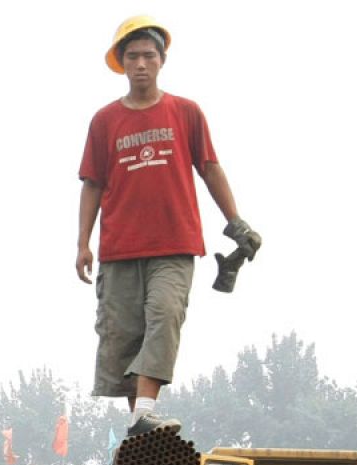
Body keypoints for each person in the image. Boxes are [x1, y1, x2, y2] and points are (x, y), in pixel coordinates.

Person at [76, 15, 262, 436]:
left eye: (148, 56)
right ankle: (139, 421)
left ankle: (144, 410)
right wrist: (82, 242)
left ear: (162, 60)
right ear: (121, 63)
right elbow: (92, 184)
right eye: (132, 56)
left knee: (164, 314)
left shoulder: (185, 112)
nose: (141, 64)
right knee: (125, 337)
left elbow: (210, 168)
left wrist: (236, 223)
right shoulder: (104, 121)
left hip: (174, 244)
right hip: (121, 247)